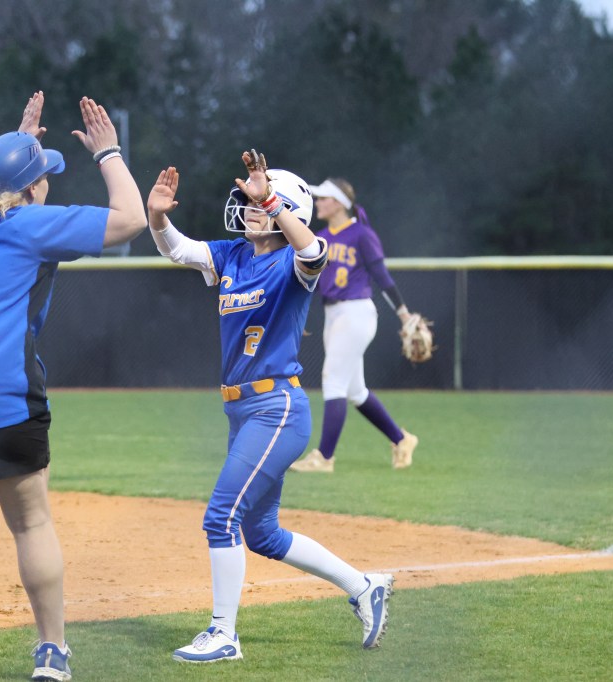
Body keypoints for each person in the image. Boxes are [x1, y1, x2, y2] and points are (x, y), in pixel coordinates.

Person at [0, 91, 147, 682]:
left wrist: (12, 147)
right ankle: (52, 654)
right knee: (31, 523)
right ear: (33, 188)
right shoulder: (34, 225)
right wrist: (108, 152)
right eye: (43, 175)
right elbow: (133, 218)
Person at [146, 152, 393, 664]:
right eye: (249, 203)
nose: (249, 208)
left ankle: (223, 634)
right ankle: (362, 585)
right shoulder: (233, 254)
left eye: (258, 204)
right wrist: (157, 217)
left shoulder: (294, 261)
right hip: (241, 412)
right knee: (262, 534)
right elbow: (179, 250)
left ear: (286, 211)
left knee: (221, 517)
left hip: (276, 408)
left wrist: (273, 201)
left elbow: (315, 251)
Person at [288, 177, 419, 473]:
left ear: (338, 203)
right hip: (333, 315)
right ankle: (401, 440)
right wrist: (299, 314)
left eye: (323, 198)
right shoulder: (320, 237)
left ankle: (324, 457)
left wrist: (404, 314)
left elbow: (382, 277)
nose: (318, 202)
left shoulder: (361, 234)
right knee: (355, 391)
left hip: (356, 312)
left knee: (333, 380)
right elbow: (310, 283)